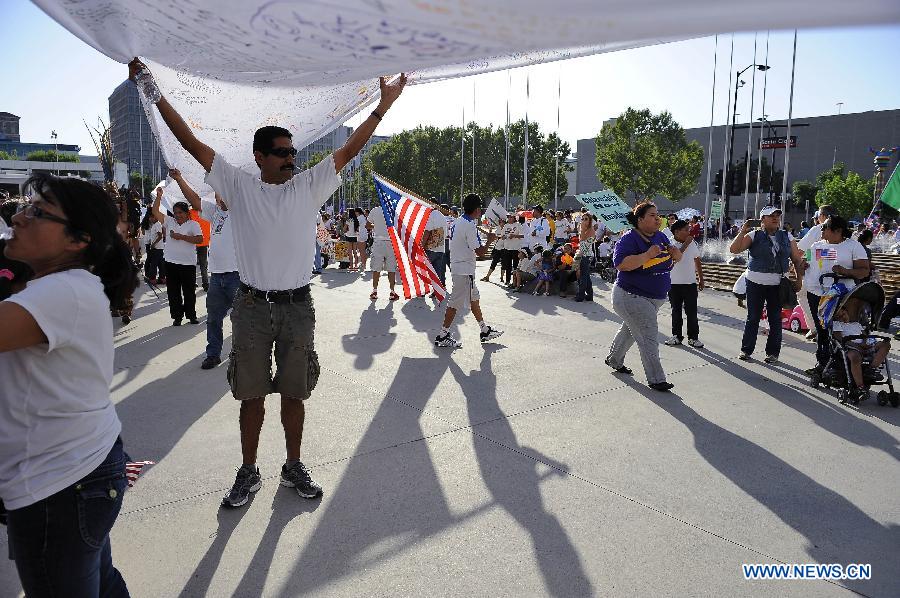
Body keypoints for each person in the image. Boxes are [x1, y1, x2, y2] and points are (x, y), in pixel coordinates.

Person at [131, 57, 406, 506]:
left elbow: (350, 149)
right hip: (253, 307)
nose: (290, 159)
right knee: (251, 394)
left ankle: (293, 466)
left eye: (292, 152)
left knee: (295, 392)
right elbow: (190, 141)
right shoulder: (239, 187)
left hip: (298, 306)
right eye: (282, 152)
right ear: (260, 156)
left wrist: (382, 106)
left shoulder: (309, 186)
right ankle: (248, 470)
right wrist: (151, 91)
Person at [1, 173, 138, 596]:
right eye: (25, 205)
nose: (20, 217)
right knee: (102, 581)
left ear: (77, 240)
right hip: (80, 470)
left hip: (58, 485)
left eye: (38, 212)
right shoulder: (59, 286)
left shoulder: (60, 292)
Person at [604, 202, 682, 392]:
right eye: (652, 215)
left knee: (629, 330)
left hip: (654, 297)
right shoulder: (629, 239)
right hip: (631, 296)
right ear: (640, 220)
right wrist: (647, 254)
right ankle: (657, 379)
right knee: (648, 337)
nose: (658, 218)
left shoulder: (661, 236)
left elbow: (677, 258)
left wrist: (676, 253)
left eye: (658, 215)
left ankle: (614, 359)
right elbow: (622, 265)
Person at [169, 168, 241, 369]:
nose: (220, 198)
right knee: (213, 319)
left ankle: (240, 355)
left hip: (237, 276)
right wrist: (179, 178)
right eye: (218, 194)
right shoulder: (215, 212)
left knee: (240, 320)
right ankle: (213, 354)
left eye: (224, 193)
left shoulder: (241, 211)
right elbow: (194, 200)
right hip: (217, 277)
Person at [730, 206, 805, 364]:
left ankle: (772, 353)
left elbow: (797, 260)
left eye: (777, 215)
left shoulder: (786, 236)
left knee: (775, 319)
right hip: (755, 282)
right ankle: (746, 350)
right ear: (762, 219)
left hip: (778, 284)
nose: (775, 218)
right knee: (753, 317)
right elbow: (734, 249)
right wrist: (743, 231)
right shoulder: (754, 234)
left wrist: (799, 280)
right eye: (771, 216)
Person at [801, 215, 869, 377]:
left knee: (840, 330)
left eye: (825, 227)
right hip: (816, 293)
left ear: (837, 231)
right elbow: (806, 260)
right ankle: (822, 364)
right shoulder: (816, 245)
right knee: (821, 330)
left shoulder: (853, 246)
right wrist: (803, 264)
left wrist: (846, 272)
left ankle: (842, 365)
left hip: (844, 296)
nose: (821, 230)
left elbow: (864, 270)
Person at [434, 194, 503, 348]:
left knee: (474, 300)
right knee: (454, 303)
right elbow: (480, 252)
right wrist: (490, 241)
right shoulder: (469, 225)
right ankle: (443, 334)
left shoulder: (459, 222)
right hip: (463, 270)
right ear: (477, 209)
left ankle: (484, 330)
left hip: (462, 268)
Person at [151, 188, 203, 326]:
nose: (177, 215)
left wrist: (181, 237)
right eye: (175, 213)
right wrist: (158, 197)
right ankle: (177, 317)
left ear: (187, 213)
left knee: (189, 292)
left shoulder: (194, 224)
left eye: (180, 212)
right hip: (170, 262)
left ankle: (191, 315)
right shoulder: (169, 221)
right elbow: (155, 212)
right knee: (173, 292)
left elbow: (199, 239)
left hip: (188, 264)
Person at [833, 299, 890, 402]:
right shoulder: (837, 324)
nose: (843, 317)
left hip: (865, 346)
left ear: (847, 312)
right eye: (839, 316)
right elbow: (840, 339)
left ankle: (871, 369)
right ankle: (860, 387)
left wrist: (864, 343)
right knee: (855, 357)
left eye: (844, 314)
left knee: (885, 344)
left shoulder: (856, 324)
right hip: (851, 347)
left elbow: (865, 335)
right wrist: (857, 346)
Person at [665, 220, 704, 348]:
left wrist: (701, 278)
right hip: (673, 284)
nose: (689, 232)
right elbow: (675, 259)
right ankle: (676, 336)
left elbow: (697, 260)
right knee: (676, 311)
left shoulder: (692, 243)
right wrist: (686, 244)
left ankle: (693, 338)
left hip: (690, 283)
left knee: (691, 312)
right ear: (677, 232)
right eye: (686, 230)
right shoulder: (669, 243)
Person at [368, 204, 399, 301]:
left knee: (376, 268)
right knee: (391, 269)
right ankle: (392, 291)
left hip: (378, 242)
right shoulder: (394, 211)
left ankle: (374, 290)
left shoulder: (375, 210)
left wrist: (376, 226)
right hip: (391, 243)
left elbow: (367, 225)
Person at [422, 203, 448, 288]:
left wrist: (421, 246)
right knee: (437, 273)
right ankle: (437, 291)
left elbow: (427, 231)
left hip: (430, 248)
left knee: (424, 271)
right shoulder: (442, 216)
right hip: (441, 248)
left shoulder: (431, 215)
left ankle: (423, 290)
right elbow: (446, 233)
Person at [190, 206, 211, 291]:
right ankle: (205, 284)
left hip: (199, 242)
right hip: (198, 242)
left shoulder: (190, 212)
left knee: (199, 265)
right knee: (202, 265)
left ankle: (199, 283)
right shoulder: (206, 211)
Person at [355, 206, 369, 272]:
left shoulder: (359, 218)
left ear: (357, 212)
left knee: (361, 251)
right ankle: (363, 263)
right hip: (364, 234)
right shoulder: (363, 217)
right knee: (362, 250)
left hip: (360, 235)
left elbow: (356, 226)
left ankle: (363, 264)